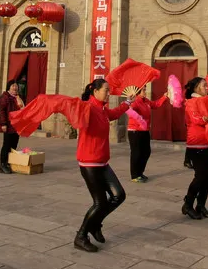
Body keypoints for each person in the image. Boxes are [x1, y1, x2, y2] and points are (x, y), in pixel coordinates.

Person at [9, 79, 131, 253]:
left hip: (103, 162)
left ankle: (95, 225)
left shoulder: (102, 110)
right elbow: (65, 103)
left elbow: (114, 113)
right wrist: (45, 102)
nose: (109, 93)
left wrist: (128, 102)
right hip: (89, 162)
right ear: (95, 91)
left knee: (119, 195)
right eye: (106, 90)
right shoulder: (87, 108)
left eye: (109, 90)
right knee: (100, 203)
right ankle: (81, 236)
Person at [182, 76, 208, 220]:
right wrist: (207, 118)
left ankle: (201, 205)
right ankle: (188, 204)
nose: (207, 88)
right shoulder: (191, 102)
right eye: (204, 85)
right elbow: (195, 119)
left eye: (207, 85)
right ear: (196, 88)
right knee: (200, 176)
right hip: (196, 143)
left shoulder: (207, 101)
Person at [127, 87, 169, 183]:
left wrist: (164, 97)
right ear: (137, 92)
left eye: (145, 89)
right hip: (135, 130)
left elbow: (155, 104)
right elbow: (130, 111)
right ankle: (134, 175)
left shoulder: (145, 101)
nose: (145, 91)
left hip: (145, 130)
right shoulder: (135, 101)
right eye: (144, 90)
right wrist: (129, 103)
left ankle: (140, 172)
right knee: (136, 153)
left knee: (146, 152)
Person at [0, 81, 24, 174]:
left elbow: (22, 109)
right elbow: (1, 111)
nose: (15, 88)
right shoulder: (4, 97)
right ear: (9, 87)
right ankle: (2, 165)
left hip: (16, 125)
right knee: (6, 145)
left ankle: (9, 163)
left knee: (13, 146)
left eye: (16, 86)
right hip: (8, 125)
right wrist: (3, 124)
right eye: (13, 86)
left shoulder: (18, 98)